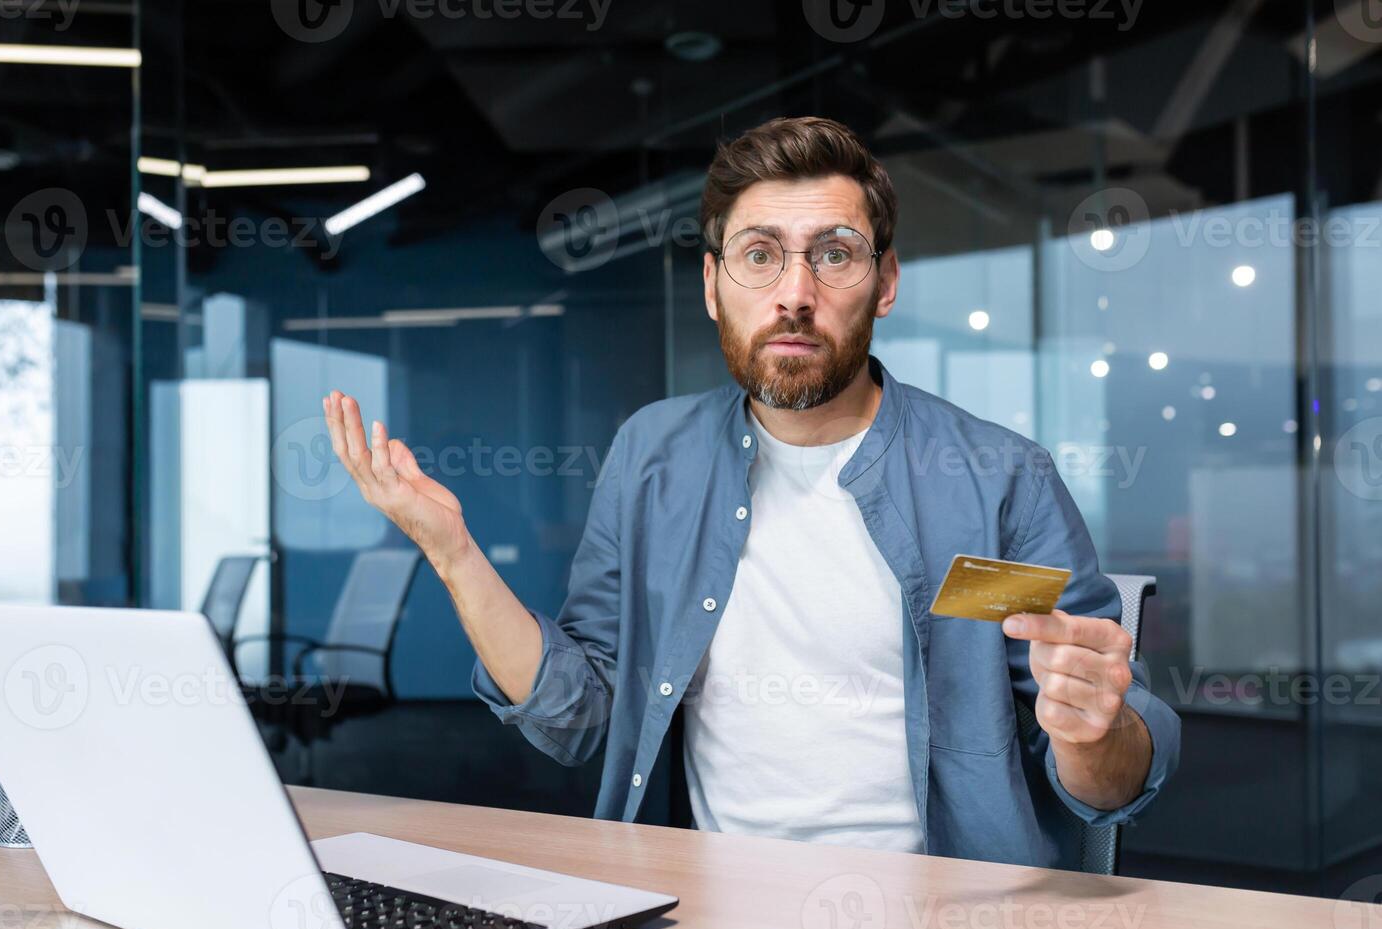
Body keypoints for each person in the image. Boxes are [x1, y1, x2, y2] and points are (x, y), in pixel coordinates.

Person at [322, 115, 1179, 869]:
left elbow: (1111, 776)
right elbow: (579, 716)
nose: (795, 294)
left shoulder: (998, 478)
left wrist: (1094, 731)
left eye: (834, 255)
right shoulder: (653, 459)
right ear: (712, 284)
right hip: (700, 916)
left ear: (885, 283)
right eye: (760, 254)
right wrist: (453, 554)